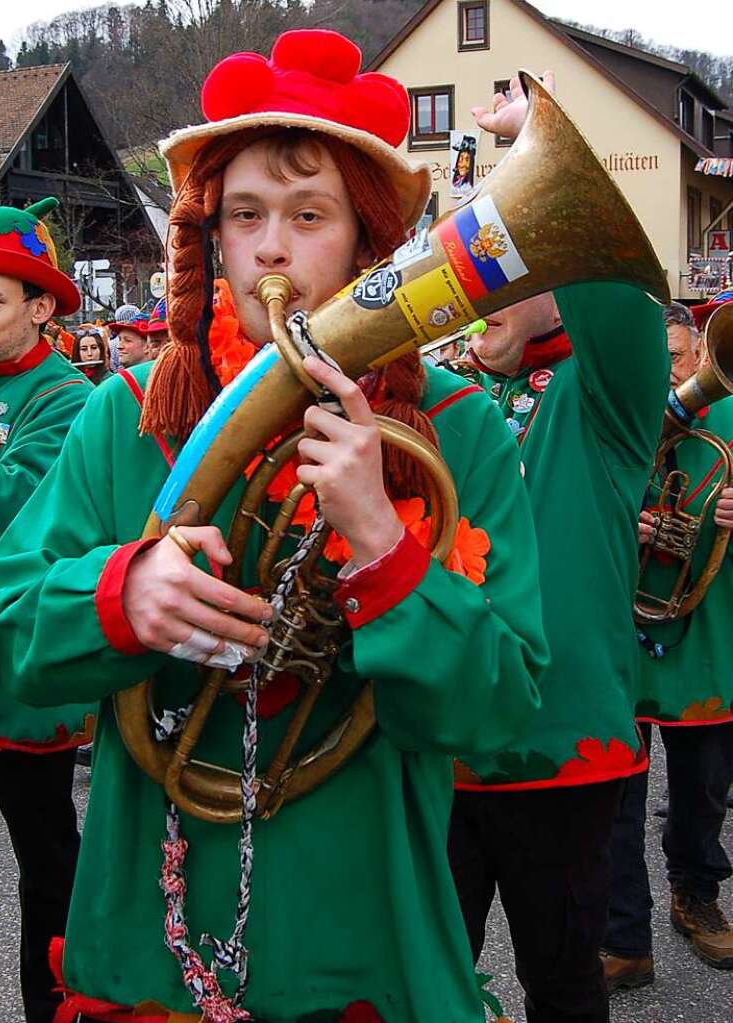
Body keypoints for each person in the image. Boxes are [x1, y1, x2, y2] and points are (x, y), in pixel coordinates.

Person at [0, 30, 548, 1023]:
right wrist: (122, 595)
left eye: (309, 214)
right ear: (209, 239)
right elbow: (9, 637)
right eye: (244, 215)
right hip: (148, 943)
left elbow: (497, 720)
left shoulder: (455, 430)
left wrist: (381, 542)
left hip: (363, 940)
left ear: (367, 243)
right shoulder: (129, 411)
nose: (272, 246)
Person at [447, 75, 669, 1023]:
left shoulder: (603, 396)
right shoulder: (452, 402)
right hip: (441, 742)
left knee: (564, 985)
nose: (486, 301)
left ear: (558, 300)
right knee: (427, 977)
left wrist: (522, 154)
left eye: (518, 280)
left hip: (564, 752)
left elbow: (617, 286)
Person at [0, 197, 94, 1023]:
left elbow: (14, 510)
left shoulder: (71, 397)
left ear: (41, 308)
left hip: (21, 684)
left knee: (49, 873)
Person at [602, 299, 733, 991]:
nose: (668, 380)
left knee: (701, 790)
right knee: (615, 793)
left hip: (704, 639)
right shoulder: (616, 423)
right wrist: (631, 522)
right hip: (625, 638)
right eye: (652, 367)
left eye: (677, 361)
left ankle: (695, 892)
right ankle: (623, 935)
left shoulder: (730, 421)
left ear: (700, 357)